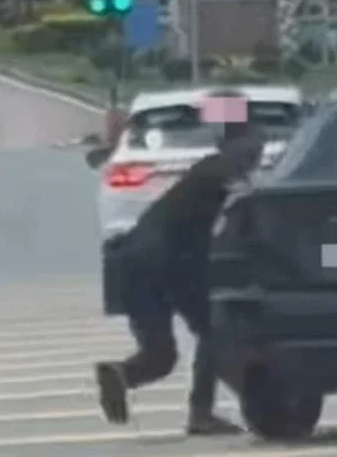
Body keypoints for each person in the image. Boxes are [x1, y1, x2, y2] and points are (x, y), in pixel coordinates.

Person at [94, 116, 264, 436]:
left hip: (133, 261)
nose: (258, 151)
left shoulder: (209, 171)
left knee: (160, 357)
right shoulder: (224, 171)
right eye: (253, 143)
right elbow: (251, 216)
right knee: (213, 332)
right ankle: (201, 413)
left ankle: (121, 374)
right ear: (229, 145)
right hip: (166, 263)